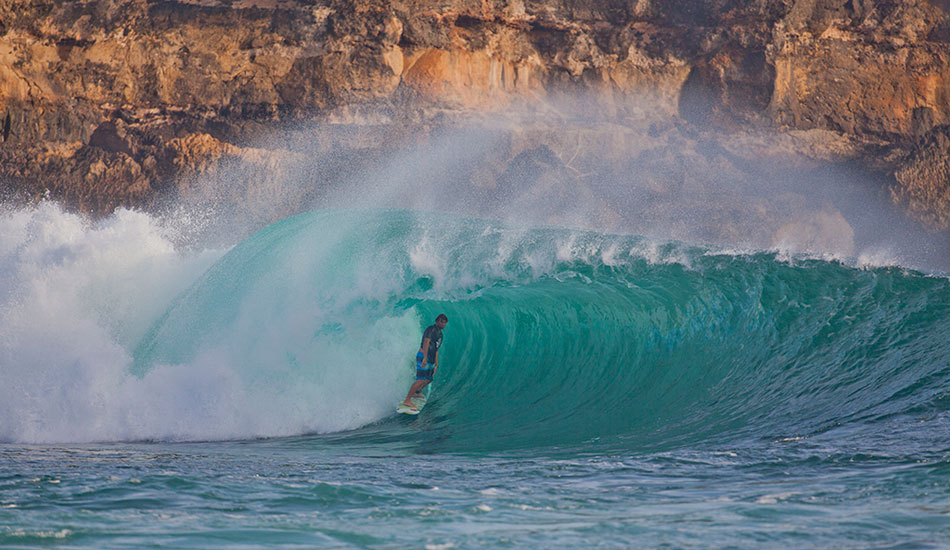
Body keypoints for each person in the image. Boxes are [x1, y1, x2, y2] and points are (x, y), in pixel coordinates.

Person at [401, 314, 448, 410]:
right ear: (437, 321)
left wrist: (436, 363)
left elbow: (437, 349)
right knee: (420, 380)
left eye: (445, 323)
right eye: (442, 322)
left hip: (431, 359)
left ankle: (417, 392)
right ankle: (407, 400)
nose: (443, 324)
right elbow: (426, 342)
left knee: (429, 379)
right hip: (423, 356)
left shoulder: (440, 335)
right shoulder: (431, 329)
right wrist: (425, 358)